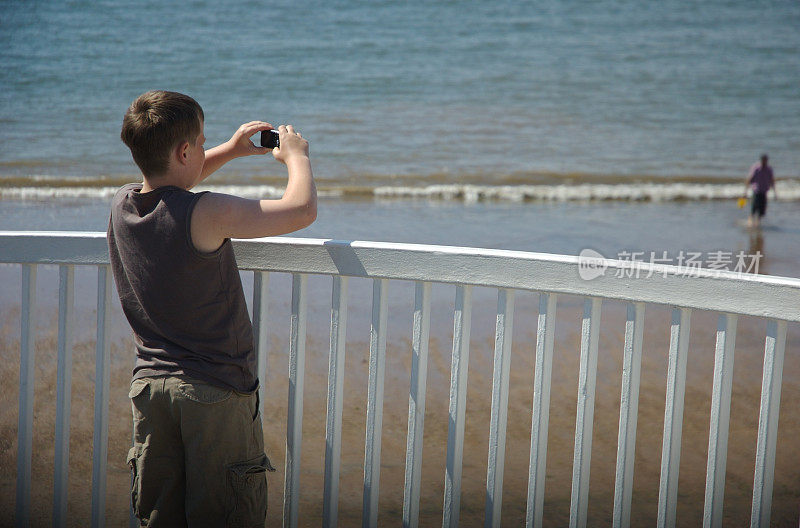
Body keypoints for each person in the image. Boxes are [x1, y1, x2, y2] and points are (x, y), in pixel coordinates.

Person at [108, 90, 316, 526]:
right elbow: (300, 210)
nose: (205, 151)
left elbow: (174, 179)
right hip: (213, 390)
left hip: (150, 390)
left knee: (161, 516)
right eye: (202, 143)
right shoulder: (206, 211)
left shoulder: (122, 206)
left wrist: (232, 150)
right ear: (185, 150)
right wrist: (296, 158)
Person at [743, 153, 777, 228]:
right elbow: (749, 179)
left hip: (764, 192)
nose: (764, 162)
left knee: (762, 211)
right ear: (761, 160)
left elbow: (772, 180)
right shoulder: (756, 168)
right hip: (756, 191)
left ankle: (757, 224)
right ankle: (750, 223)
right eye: (763, 160)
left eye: (766, 160)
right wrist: (745, 191)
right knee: (754, 209)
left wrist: (775, 192)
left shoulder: (769, 169)